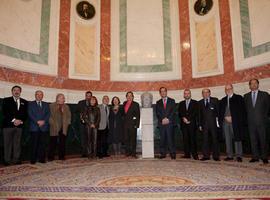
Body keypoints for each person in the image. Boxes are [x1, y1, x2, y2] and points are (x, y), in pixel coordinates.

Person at [244, 79, 270, 164]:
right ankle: (255, 157)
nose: (253, 85)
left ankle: (264, 157)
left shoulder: (265, 94)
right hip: (251, 123)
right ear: (249, 86)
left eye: (255, 83)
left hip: (262, 122)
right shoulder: (246, 96)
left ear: (258, 84)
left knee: (263, 140)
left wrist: (265, 118)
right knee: (253, 140)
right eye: (252, 84)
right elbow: (245, 110)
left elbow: (268, 108)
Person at [219, 84, 246, 162]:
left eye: (229, 88)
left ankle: (239, 155)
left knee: (237, 138)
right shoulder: (223, 100)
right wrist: (225, 117)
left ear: (232, 89)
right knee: (227, 139)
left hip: (236, 122)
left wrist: (232, 118)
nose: (228, 90)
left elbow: (242, 111)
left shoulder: (239, 98)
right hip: (225, 123)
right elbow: (221, 112)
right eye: (226, 89)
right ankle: (229, 155)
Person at [2, 85, 28, 165]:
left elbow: (25, 114)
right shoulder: (6, 100)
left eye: (18, 90)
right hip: (8, 126)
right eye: (15, 90)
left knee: (17, 144)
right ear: (12, 91)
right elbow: (5, 112)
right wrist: (14, 120)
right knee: (7, 144)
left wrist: (20, 121)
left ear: (20, 92)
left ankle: (16, 159)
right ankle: (7, 160)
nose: (16, 91)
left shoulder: (25, 101)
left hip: (19, 126)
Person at [28, 90, 50, 164]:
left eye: (41, 94)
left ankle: (42, 159)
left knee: (43, 144)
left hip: (44, 127)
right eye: (38, 94)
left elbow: (48, 114)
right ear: (35, 95)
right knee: (34, 144)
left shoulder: (46, 104)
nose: (39, 96)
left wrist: (43, 121)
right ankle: (33, 160)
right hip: (34, 127)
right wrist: (37, 121)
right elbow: (30, 114)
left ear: (42, 96)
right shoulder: (30, 104)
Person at [198, 88, 220, 161]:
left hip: (213, 124)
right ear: (202, 94)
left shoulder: (215, 100)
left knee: (215, 140)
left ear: (210, 93)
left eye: (207, 92)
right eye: (204, 93)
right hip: (204, 125)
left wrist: (218, 123)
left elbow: (218, 112)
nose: (205, 94)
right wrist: (200, 125)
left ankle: (216, 156)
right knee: (205, 141)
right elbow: (199, 115)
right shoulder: (200, 102)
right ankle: (206, 156)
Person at [48, 93, 71, 161]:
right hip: (54, 127)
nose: (64, 99)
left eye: (63, 98)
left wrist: (68, 123)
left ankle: (61, 156)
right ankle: (51, 157)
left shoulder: (66, 106)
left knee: (62, 143)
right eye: (62, 98)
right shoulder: (51, 106)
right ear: (58, 98)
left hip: (63, 127)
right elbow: (49, 116)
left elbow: (69, 116)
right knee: (53, 143)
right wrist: (52, 124)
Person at [178, 89, 199, 160]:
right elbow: (180, 113)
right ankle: (187, 154)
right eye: (185, 94)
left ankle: (195, 155)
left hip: (192, 124)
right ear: (184, 95)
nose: (187, 95)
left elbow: (195, 112)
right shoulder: (181, 103)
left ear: (190, 94)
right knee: (185, 140)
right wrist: (184, 118)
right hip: (184, 125)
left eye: (188, 93)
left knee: (193, 140)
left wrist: (188, 119)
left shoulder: (195, 103)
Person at [156, 87, 176, 159]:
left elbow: (173, 111)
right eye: (161, 92)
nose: (163, 93)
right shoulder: (158, 102)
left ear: (166, 92)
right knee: (162, 139)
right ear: (160, 93)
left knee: (170, 139)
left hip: (170, 123)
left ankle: (172, 154)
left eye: (164, 91)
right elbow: (157, 113)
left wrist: (167, 118)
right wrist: (162, 119)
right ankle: (163, 153)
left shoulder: (172, 101)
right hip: (162, 124)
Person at [123, 91, 140, 158]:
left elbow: (138, 115)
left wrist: (137, 125)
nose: (129, 97)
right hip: (125, 125)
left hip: (133, 125)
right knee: (126, 139)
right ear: (126, 97)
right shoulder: (124, 103)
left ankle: (133, 153)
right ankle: (127, 152)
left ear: (132, 97)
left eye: (130, 96)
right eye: (128, 96)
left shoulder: (136, 104)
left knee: (133, 139)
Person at [77, 91, 92, 157]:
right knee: (83, 138)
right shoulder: (80, 102)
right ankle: (84, 153)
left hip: (90, 124)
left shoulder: (93, 102)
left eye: (89, 96)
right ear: (85, 96)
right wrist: (80, 116)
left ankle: (90, 152)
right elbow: (77, 112)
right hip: (82, 124)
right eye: (87, 95)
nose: (88, 97)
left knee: (90, 138)